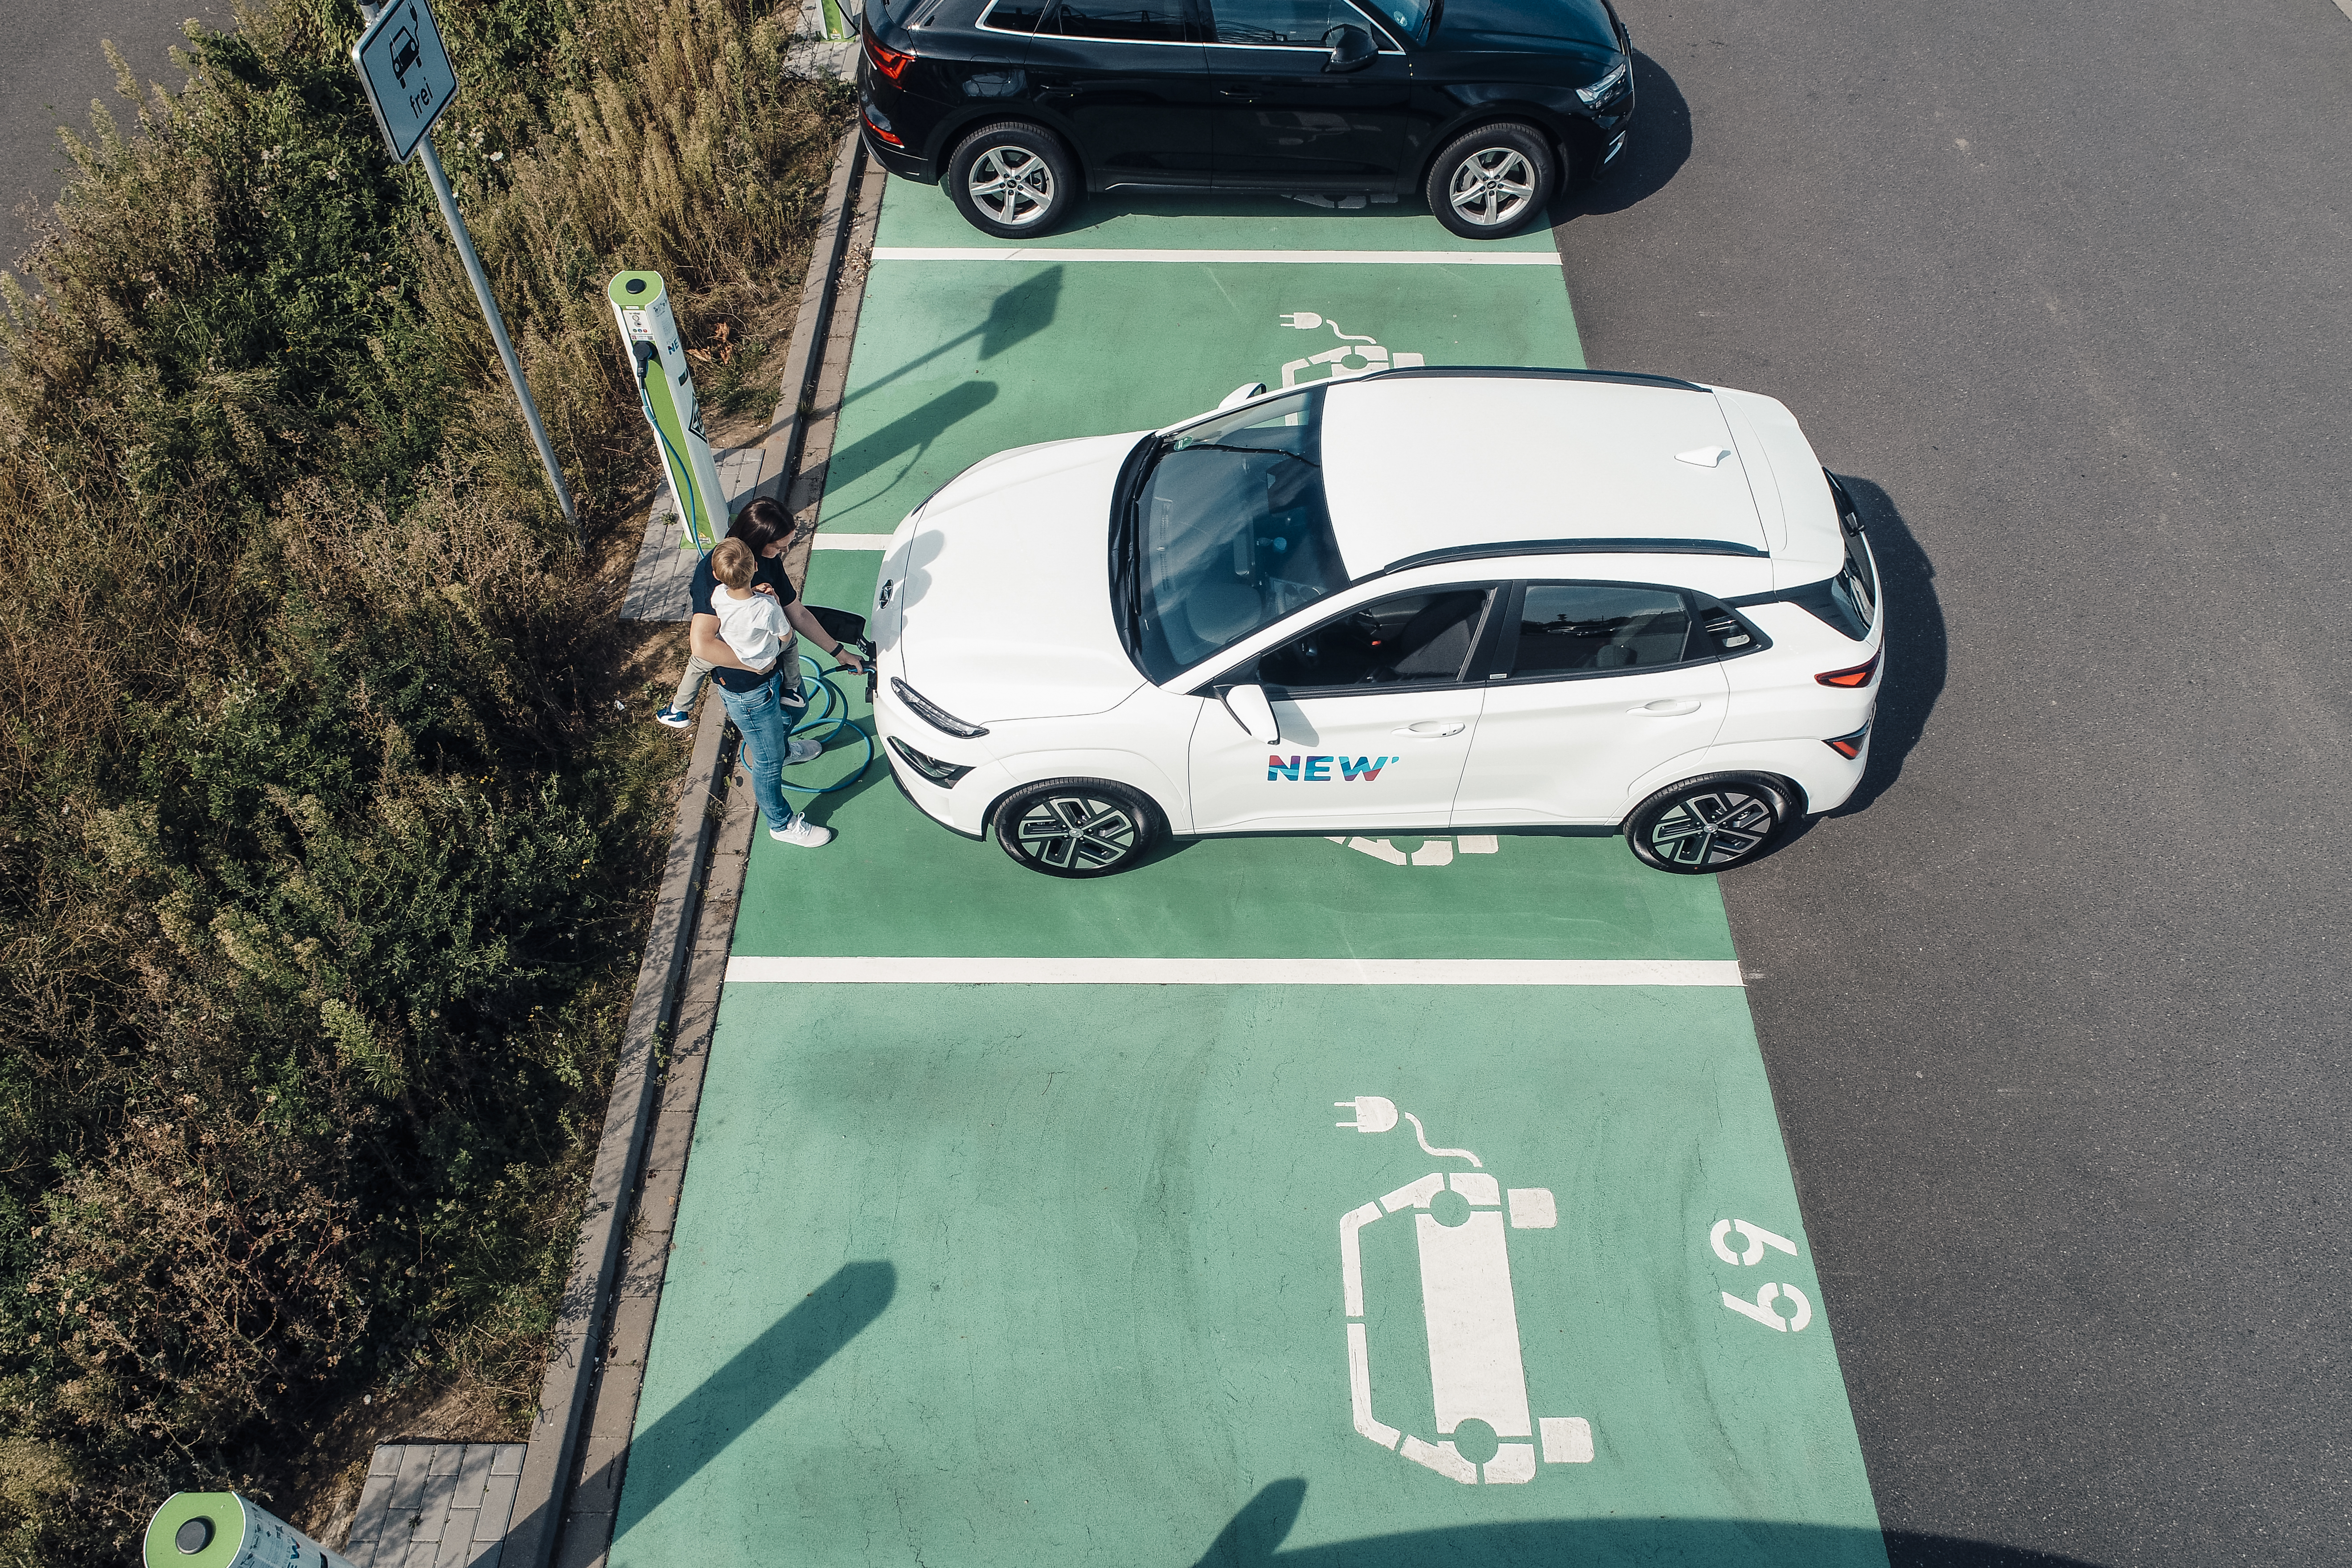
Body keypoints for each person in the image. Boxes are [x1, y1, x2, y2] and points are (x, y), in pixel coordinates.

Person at [666, 497, 866, 848]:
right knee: (767, 761)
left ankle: (782, 747)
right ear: (757, 541)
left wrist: (839, 651)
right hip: (746, 687)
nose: (785, 552)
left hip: (772, 673)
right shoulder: (715, 571)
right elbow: (702, 646)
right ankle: (781, 823)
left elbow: (797, 613)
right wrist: (755, 664)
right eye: (780, 546)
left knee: (798, 708)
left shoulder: (766, 562)